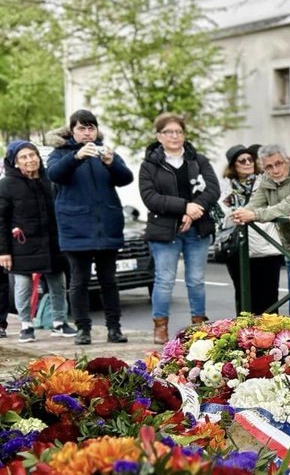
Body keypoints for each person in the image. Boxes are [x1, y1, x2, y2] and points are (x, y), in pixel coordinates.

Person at [47, 109, 132, 345]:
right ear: (72, 131)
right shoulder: (60, 153)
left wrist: (112, 163)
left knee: (109, 281)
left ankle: (114, 328)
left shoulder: (105, 151)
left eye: (91, 127)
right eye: (82, 128)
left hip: (107, 226)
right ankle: (83, 329)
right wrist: (76, 158)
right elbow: (53, 174)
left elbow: (126, 178)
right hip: (75, 227)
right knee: (79, 281)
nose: (87, 132)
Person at [138, 114, 219, 343]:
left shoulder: (198, 160)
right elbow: (150, 197)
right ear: (159, 136)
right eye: (168, 132)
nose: (174, 136)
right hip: (164, 231)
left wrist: (195, 209)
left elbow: (213, 189)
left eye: (178, 132)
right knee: (164, 279)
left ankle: (199, 325)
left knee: (196, 279)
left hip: (198, 227)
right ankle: (160, 327)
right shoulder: (149, 165)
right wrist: (185, 207)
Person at [0, 142, 74, 342]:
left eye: (32, 155)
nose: (30, 160)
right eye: (23, 157)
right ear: (15, 163)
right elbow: (1, 220)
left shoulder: (50, 179)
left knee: (58, 284)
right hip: (21, 245)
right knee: (22, 287)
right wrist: (3, 251)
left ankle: (59, 322)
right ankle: (26, 325)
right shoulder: (6, 185)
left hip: (52, 242)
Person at [236, 145, 290, 315]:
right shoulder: (267, 179)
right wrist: (243, 212)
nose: (275, 170)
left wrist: (254, 215)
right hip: (288, 241)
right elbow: (256, 202)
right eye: (268, 166)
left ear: (287, 160)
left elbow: (288, 206)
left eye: (278, 163)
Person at [220, 145, 282, 314]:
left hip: (266, 246)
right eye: (242, 160)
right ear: (233, 165)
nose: (248, 163)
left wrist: (251, 214)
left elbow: (276, 205)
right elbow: (219, 213)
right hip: (238, 248)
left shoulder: (266, 181)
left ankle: (269, 336)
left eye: (250, 160)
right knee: (243, 295)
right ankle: (246, 336)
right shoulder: (225, 187)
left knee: (269, 297)